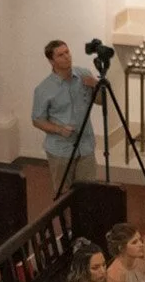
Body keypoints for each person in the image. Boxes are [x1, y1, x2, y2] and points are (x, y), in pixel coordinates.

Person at [30, 38, 97, 195]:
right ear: (51, 61)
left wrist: (96, 86)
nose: (67, 57)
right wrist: (59, 129)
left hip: (85, 145)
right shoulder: (44, 89)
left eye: (67, 52)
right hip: (61, 149)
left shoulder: (83, 75)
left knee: (89, 191)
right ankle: (67, 220)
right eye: (60, 55)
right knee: (64, 193)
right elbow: (37, 120)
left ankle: (84, 220)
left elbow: (101, 101)